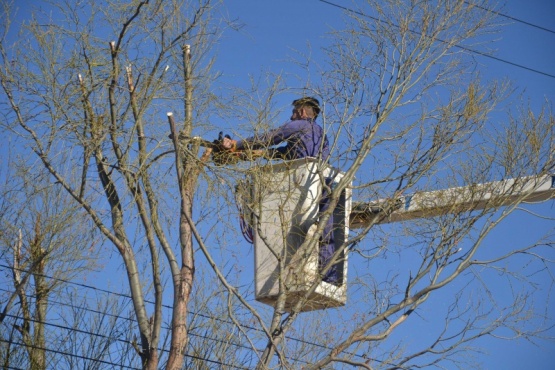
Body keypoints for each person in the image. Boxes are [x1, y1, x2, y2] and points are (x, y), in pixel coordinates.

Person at [222, 97, 339, 284]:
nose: (291, 117)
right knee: (325, 233)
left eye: (294, 113)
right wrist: (252, 154)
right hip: (324, 183)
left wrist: (238, 144)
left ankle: (295, 273)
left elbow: (270, 138)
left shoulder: (299, 125)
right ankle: (328, 277)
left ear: (301, 112)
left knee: (294, 228)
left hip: (303, 183)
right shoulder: (320, 134)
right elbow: (286, 152)